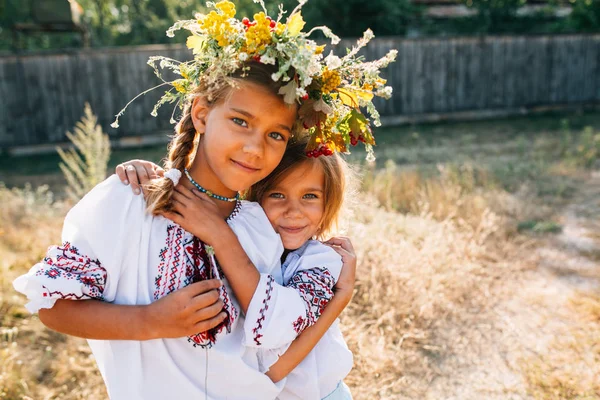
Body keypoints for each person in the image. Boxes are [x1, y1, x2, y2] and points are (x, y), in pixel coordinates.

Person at [13, 1, 395, 399]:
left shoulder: (259, 225)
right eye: (240, 121)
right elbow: (51, 307)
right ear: (200, 113)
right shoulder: (130, 200)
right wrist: (150, 321)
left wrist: (338, 295)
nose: (254, 148)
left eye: (276, 134)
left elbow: (276, 333)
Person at [118, 138, 356, 399]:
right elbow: (193, 201)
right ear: (255, 197)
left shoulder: (321, 260)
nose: (293, 211)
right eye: (277, 195)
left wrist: (340, 299)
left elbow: (275, 360)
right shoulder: (245, 240)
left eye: (310, 196)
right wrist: (147, 175)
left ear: (328, 204)